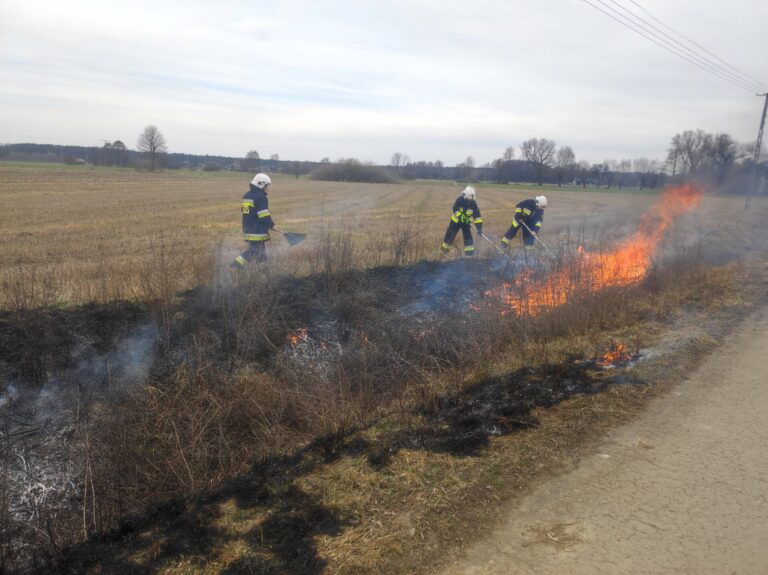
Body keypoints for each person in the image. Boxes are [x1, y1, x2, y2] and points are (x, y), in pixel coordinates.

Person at [232, 172, 280, 268]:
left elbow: (245, 211)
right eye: (266, 186)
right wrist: (272, 225)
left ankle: (262, 270)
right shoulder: (261, 197)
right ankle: (235, 266)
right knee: (254, 252)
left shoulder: (246, 196)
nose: (267, 188)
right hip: (257, 231)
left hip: (248, 228)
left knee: (261, 253)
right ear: (261, 184)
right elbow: (264, 215)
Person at [440, 186, 483, 256]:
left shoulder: (473, 203)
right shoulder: (459, 200)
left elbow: (477, 216)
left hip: (466, 223)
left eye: (472, 197)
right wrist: (460, 216)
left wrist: (479, 227)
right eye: (470, 197)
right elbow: (455, 209)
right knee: (450, 235)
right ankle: (443, 252)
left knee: (468, 238)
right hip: (455, 222)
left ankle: (469, 255)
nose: (470, 199)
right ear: (466, 196)